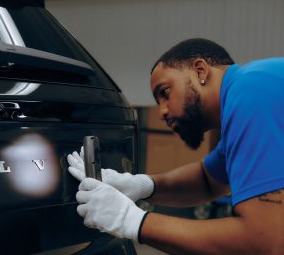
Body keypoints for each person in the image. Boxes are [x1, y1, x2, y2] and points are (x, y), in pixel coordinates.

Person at [67, 38, 284, 254]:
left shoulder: (250, 93)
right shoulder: (254, 87)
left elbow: (267, 242)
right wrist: (141, 185)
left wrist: (132, 220)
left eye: (165, 93)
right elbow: (208, 181)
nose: (161, 112)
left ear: (200, 71)